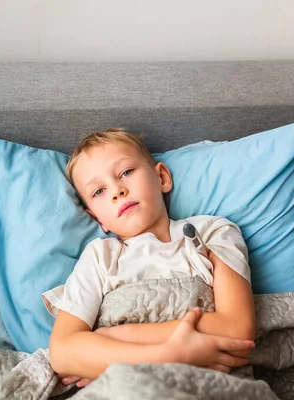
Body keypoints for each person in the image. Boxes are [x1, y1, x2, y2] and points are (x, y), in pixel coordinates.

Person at [42, 129, 256, 387]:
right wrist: (166, 356)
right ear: (98, 218)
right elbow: (63, 351)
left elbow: (237, 329)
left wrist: (115, 336)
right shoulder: (100, 258)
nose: (117, 190)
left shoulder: (212, 232)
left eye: (126, 172)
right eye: (99, 191)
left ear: (162, 177)